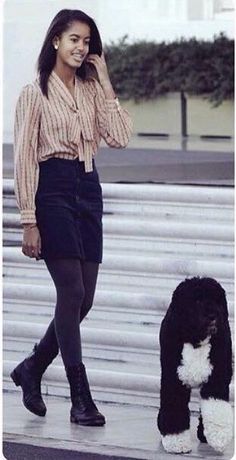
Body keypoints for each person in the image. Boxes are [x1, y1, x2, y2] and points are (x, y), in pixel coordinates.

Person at [11, 9, 132, 427]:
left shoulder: (91, 88)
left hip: (88, 188)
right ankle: (81, 397)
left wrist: (107, 82)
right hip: (53, 191)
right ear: (55, 42)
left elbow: (119, 137)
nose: (81, 48)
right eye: (74, 40)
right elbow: (24, 157)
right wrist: (29, 219)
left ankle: (31, 368)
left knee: (86, 299)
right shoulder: (35, 92)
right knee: (72, 290)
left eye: (87, 41)